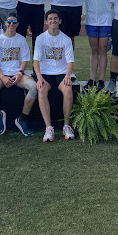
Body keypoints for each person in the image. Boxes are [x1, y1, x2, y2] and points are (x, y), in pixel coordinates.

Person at [0, 13, 37, 136]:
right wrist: (3, 77)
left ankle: (22, 119)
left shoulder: (21, 39)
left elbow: (25, 60)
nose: (11, 24)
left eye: (14, 22)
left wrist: (19, 74)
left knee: (34, 88)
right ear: (5, 23)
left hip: (17, 75)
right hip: (0, 75)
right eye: (9, 22)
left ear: (18, 24)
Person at [34, 9, 75, 142]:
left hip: (61, 73)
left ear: (60, 21)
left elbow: (70, 61)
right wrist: (39, 78)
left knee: (68, 90)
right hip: (45, 73)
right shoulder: (40, 38)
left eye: (55, 18)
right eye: (50, 19)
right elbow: (36, 61)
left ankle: (66, 126)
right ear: (46, 22)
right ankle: (48, 128)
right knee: (41, 90)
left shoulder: (66, 39)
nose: (53, 21)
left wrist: (67, 76)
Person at [83, 0, 116, 92]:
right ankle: (92, 79)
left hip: (105, 21)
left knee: (103, 50)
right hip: (91, 21)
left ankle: (101, 80)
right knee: (94, 50)